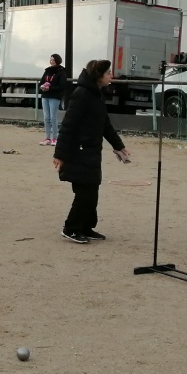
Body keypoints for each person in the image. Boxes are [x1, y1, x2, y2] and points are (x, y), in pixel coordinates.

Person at [52, 60, 130, 244]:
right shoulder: (82, 94)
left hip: (92, 151)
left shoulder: (96, 94)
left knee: (92, 191)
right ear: (99, 76)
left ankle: (85, 227)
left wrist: (119, 146)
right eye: (108, 73)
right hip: (78, 151)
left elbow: (105, 124)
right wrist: (59, 155)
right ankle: (70, 228)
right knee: (85, 193)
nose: (111, 76)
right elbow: (68, 125)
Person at [39, 54, 67, 146]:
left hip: (54, 97)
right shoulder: (47, 71)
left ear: (58, 61)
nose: (52, 61)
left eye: (53, 60)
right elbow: (42, 82)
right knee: (46, 117)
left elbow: (62, 86)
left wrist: (50, 88)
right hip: (45, 96)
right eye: (51, 60)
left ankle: (55, 138)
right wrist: (42, 87)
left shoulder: (61, 72)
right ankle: (47, 137)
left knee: (53, 117)